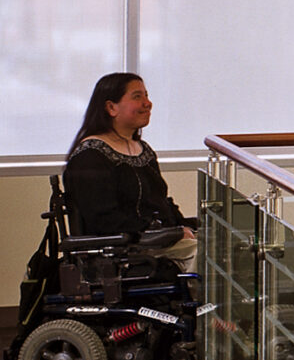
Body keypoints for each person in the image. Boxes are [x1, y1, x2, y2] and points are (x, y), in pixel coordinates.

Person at [63, 74, 198, 266]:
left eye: (147, 95)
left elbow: (160, 201)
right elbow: (103, 221)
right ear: (111, 107)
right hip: (123, 253)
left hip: (159, 241)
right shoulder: (89, 158)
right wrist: (165, 233)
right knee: (209, 257)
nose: (148, 103)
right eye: (137, 97)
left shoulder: (144, 150)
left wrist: (183, 226)